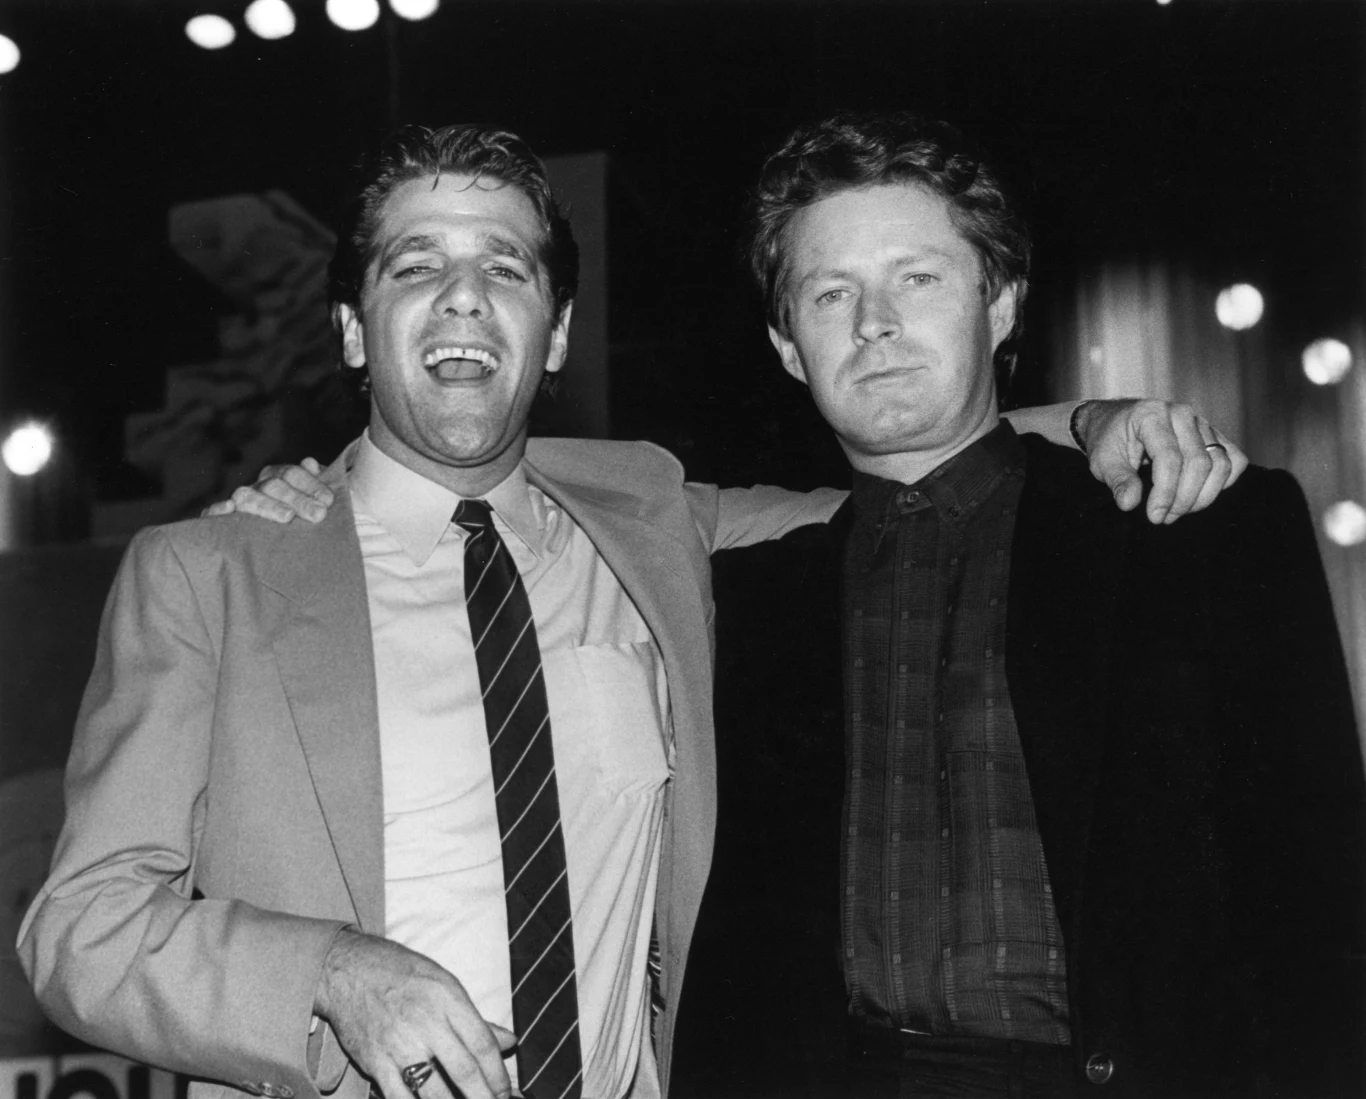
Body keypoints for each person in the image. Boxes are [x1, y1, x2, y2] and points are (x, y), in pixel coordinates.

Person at [19, 120, 1243, 1099]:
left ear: (554, 335)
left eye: (505, 269)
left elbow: (912, 470)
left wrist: (1089, 422)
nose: (462, 299)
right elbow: (79, 927)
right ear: (352, 328)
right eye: (416, 267)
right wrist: (329, 974)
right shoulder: (212, 573)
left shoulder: (651, 518)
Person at [689, 110, 1362, 1098]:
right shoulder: (743, 596)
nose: (874, 323)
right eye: (830, 293)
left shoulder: (1199, 527)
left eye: (917, 278)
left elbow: (1322, 909)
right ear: (788, 347)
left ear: (1001, 304)